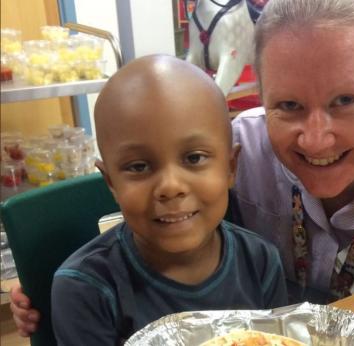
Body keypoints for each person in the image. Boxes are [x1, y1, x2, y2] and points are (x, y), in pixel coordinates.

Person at [10, 0, 354, 335]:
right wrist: (45, 289)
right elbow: (143, 200)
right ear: (260, 98)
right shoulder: (228, 147)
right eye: (288, 105)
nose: (316, 137)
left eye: (346, 100)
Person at [17, 55, 288, 344]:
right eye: (139, 167)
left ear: (230, 168)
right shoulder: (86, 289)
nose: (170, 187)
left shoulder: (260, 260)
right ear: (110, 182)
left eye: (194, 158)